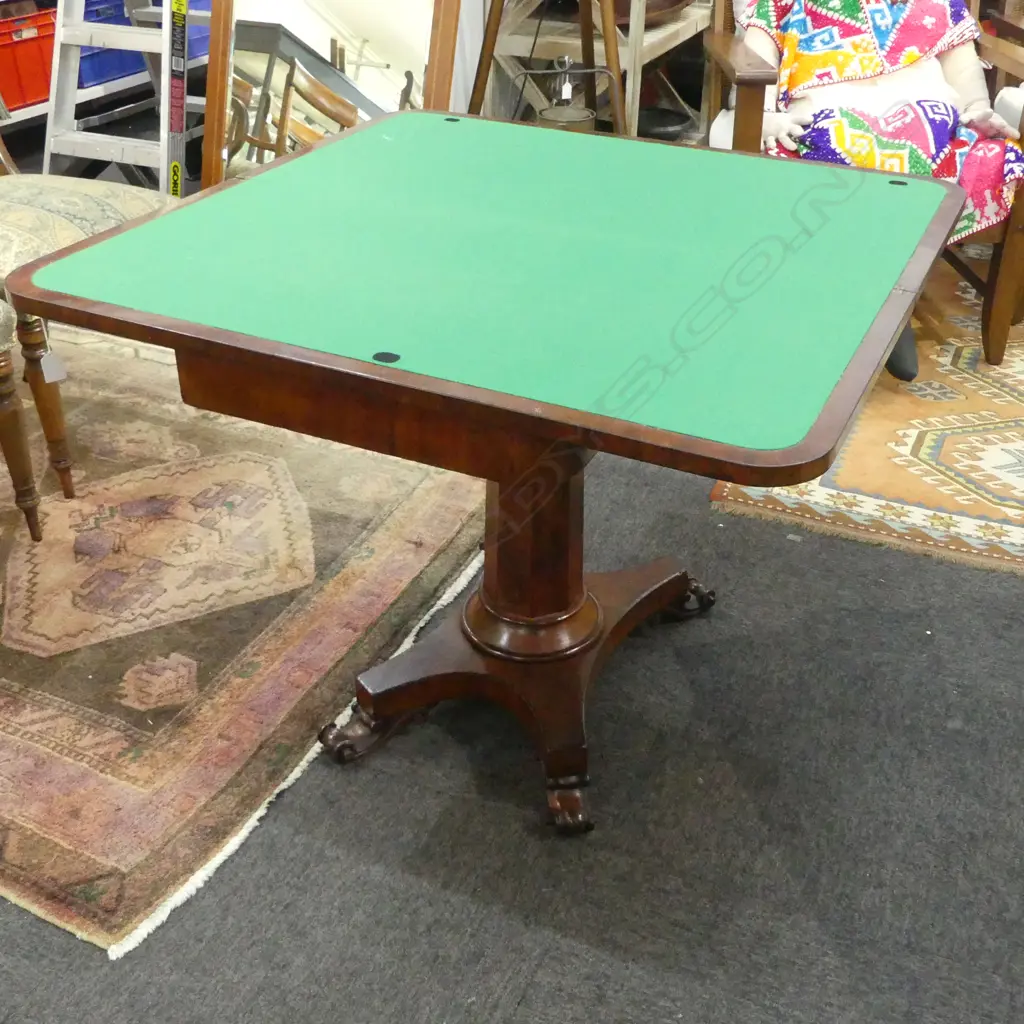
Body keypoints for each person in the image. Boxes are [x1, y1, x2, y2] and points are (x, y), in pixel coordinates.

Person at [739, 0, 1024, 380]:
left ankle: (882, 300)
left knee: (927, 137)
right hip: (832, 106)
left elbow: (961, 62)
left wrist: (976, 109)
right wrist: (763, 115)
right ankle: (891, 307)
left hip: (923, 106)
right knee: (835, 140)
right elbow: (755, 54)